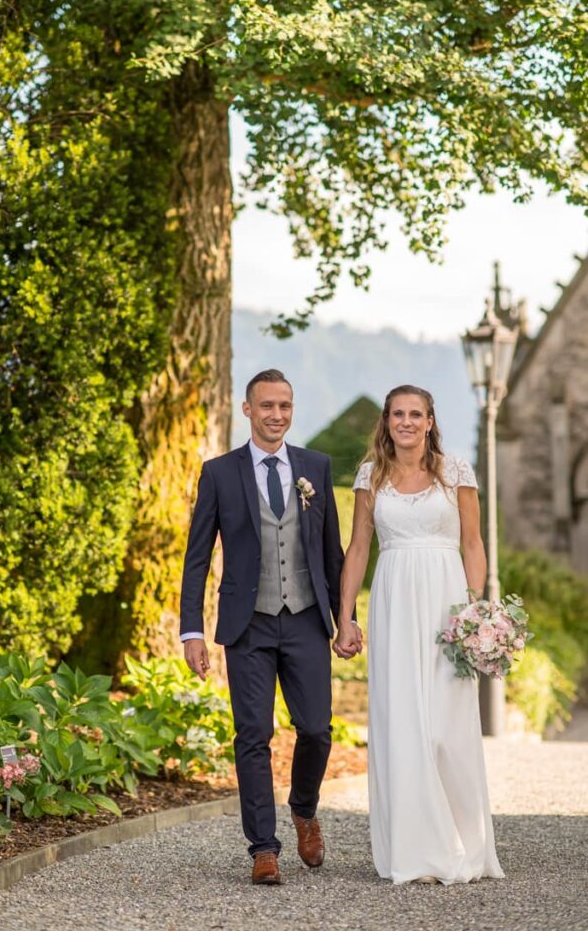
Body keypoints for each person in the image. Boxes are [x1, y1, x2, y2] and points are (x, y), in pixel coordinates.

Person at [180, 368, 361, 886]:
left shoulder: (316, 467)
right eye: (266, 406)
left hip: (305, 619)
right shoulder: (219, 473)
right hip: (247, 625)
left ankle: (304, 808)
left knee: (318, 731)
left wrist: (345, 620)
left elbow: (332, 552)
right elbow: (197, 559)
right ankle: (264, 848)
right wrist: (191, 630)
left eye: (284, 405)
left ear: (292, 408)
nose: (276, 415)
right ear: (248, 410)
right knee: (253, 735)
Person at [335, 384, 504, 886]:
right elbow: (358, 548)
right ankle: (412, 849)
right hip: (392, 601)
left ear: (430, 421)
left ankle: (463, 843)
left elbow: (473, 544)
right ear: (386, 421)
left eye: (416, 414)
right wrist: (345, 617)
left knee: (446, 727)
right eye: (397, 414)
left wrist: (479, 616)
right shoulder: (371, 475)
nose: (406, 422)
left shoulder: (455, 473)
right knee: (402, 722)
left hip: (445, 603)